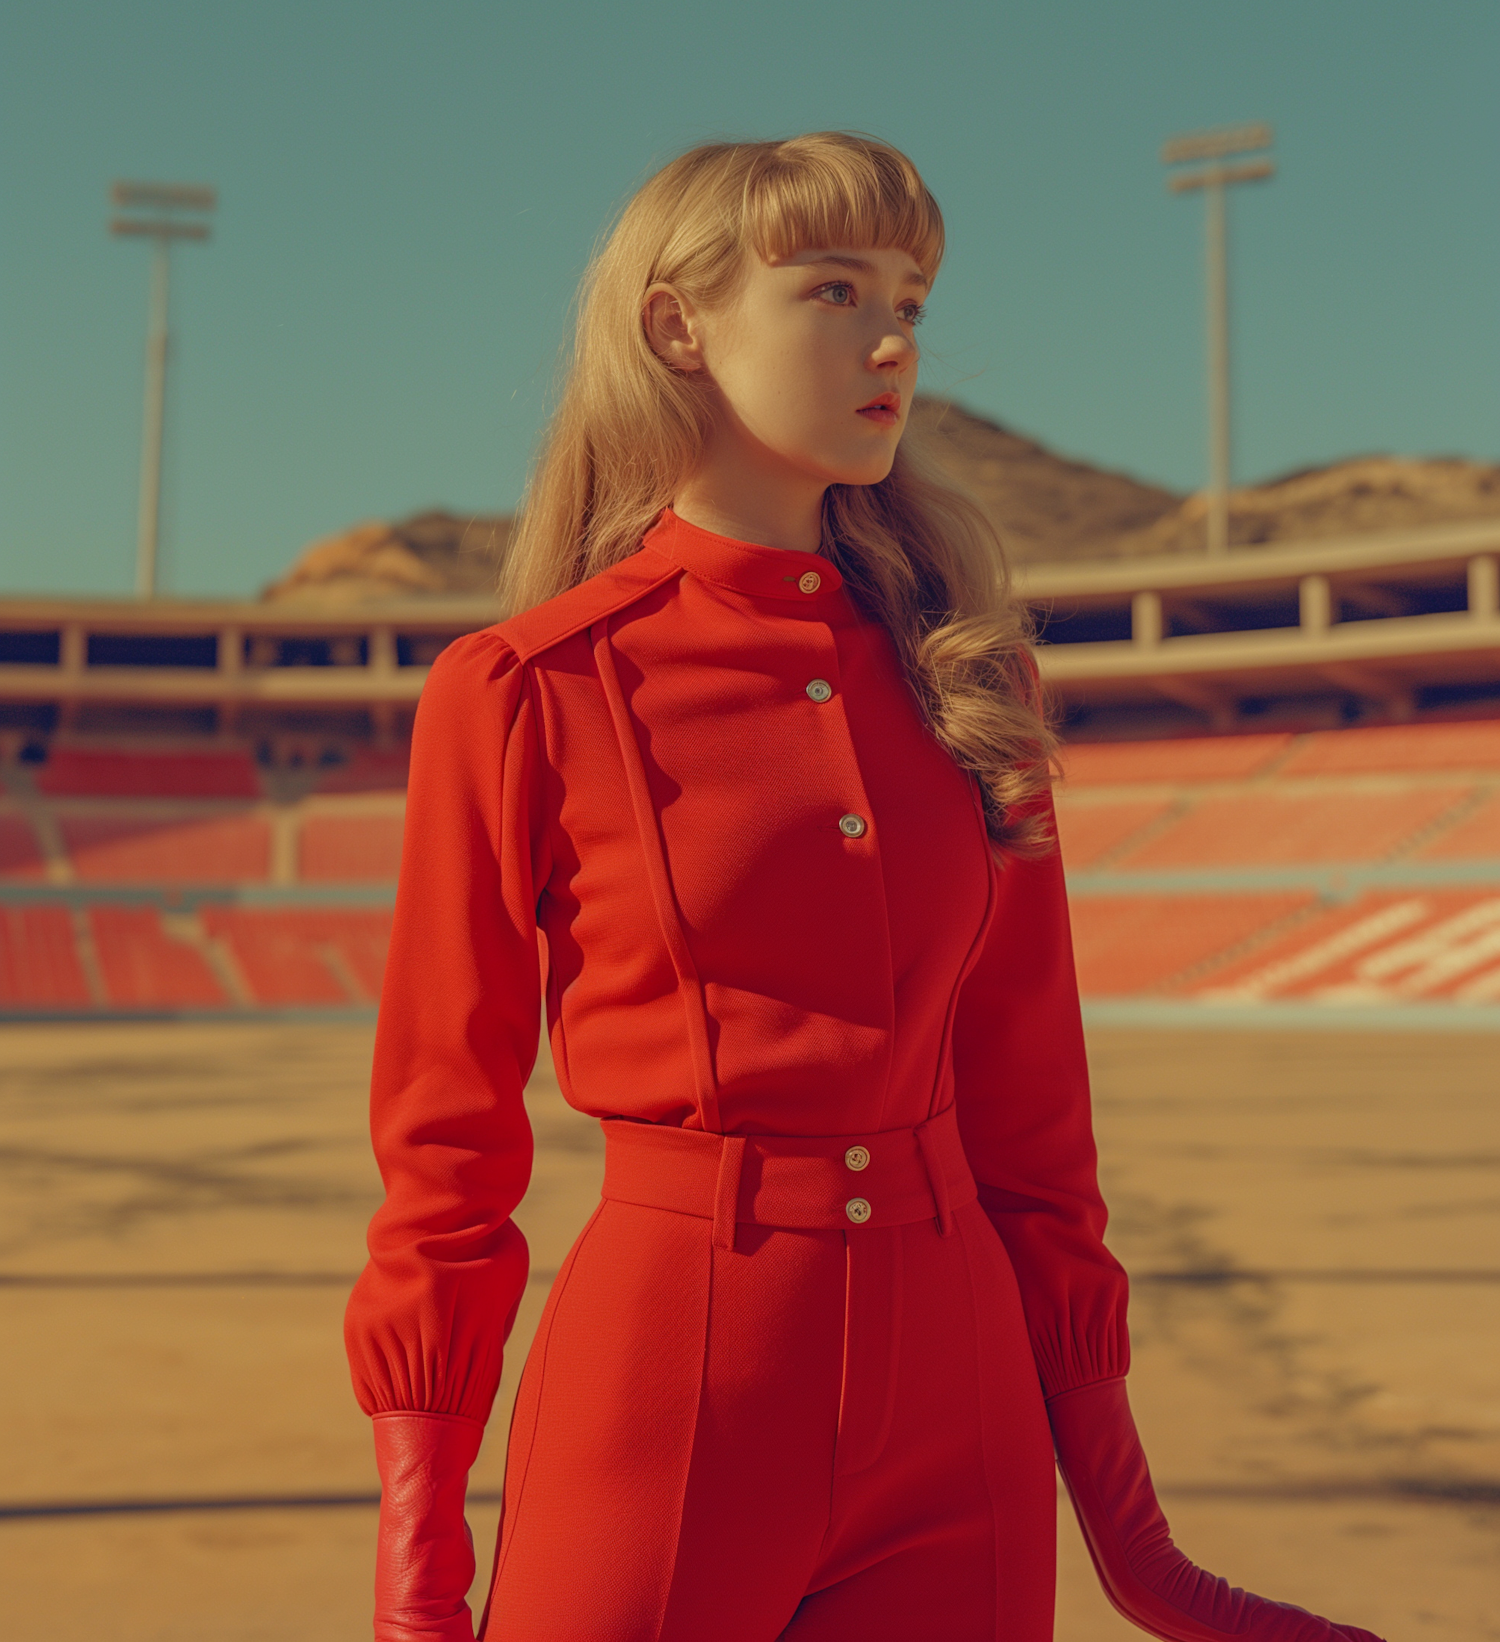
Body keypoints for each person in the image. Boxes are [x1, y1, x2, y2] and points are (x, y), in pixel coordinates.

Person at [344, 133, 1384, 1642]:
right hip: (676, 1388)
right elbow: (445, 1153)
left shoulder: (976, 677)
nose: (894, 337)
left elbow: (1034, 1115)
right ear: (676, 327)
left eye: (910, 295)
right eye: (835, 289)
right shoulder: (521, 690)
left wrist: (1134, 1538)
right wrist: (419, 1569)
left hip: (964, 1409)